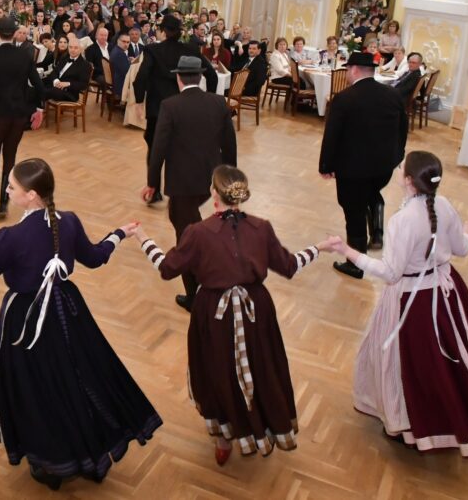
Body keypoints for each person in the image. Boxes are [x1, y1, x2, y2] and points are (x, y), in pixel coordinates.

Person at [0, 158, 161, 489]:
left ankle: (53, 461)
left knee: (36, 391)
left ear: (31, 195)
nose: (6, 191)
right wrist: (119, 234)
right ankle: (86, 451)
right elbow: (95, 257)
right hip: (69, 313)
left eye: (12, 187)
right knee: (77, 380)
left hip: (26, 324)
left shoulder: (11, 237)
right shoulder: (69, 222)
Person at [132, 166, 332, 465]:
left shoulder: (197, 233)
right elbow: (289, 265)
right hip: (256, 313)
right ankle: (261, 426)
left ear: (214, 193)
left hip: (215, 314)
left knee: (217, 372)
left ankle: (223, 438)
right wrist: (320, 247)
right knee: (261, 368)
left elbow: (167, 268)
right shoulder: (261, 228)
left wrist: (142, 236)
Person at [326, 151, 468, 456]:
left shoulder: (402, 221)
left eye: (401, 167)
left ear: (409, 180)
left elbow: (391, 273)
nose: (398, 169)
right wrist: (467, 233)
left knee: (411, 367)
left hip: (412, 302)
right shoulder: (444, 205)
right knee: (448, 364)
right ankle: (456, 416)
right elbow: (461, 248)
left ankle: (408, 422)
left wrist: (348, 250)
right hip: (447, 295)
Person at [142, 57, 237, 311]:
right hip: (211, 181)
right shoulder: (218, 102)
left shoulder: (170, 105)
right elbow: (230, 143)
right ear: (201, 76)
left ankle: (195, 297)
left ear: (178, 78)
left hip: (182, 184)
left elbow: (158, 149)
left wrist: (152, 183)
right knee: (199, 229)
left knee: (186, 238)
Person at [320, 52, 407, 277]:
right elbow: (403, 129)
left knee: (354, 210)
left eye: (348, 69)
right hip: (383, 167)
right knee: (371, 193)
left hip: (353, 169)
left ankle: (356, 263)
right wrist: (397, 156)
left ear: (355, 70)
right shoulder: (393, 95)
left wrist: (326, 165)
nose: (347, 74)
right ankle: (377, 231)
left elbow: (332, 136)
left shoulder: (344, 98)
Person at [133, 15, 219, 203]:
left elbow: (141, 77)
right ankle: (179, 192)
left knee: (155, 150)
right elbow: (212, 75)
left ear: (162, 31)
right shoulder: (190, 49)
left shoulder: (152, 50)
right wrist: (209, 99)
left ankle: (154, 190)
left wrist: (139, 102)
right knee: (181, 151)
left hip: (157, 110)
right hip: (185, 110)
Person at [0, 17, 45, 219]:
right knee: (10, 156)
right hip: (18, 115)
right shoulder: (24, 55)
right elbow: (38, 85)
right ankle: (4, 204)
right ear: (14, 34)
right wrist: (39, 108)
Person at [42, 33, 91, 102]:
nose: (72, 50)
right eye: (70, 47)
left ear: (80, 49)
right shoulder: (64, 58)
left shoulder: (85, 65)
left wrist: (67, 84)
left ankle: (38, 105)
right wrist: (56, 81)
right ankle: (37, 105)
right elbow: (54, 72)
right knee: (38, 83)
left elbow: (83, 85)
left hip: (69, 92)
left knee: (45, 91)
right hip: (56, 86)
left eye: (76, 48)